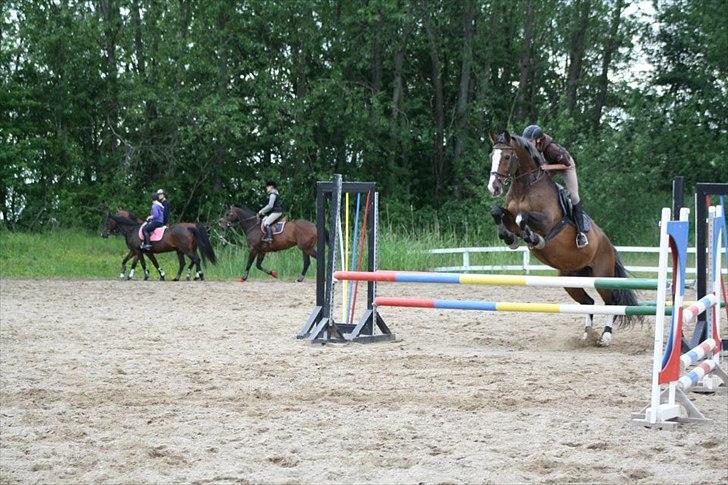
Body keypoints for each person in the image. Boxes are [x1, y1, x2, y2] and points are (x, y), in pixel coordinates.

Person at [522, 124, 589, 248]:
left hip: (566, 166)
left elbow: (566, 165)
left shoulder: (552, 148)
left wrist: (548, 167)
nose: (528, 144)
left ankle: (581, 233)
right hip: (550, 164)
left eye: (530, 141)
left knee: (574, 196)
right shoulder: (535, 146)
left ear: (537, 139)